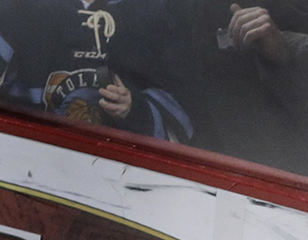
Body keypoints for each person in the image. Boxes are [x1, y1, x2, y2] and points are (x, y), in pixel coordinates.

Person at [0, 0, 193, 142]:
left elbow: (183, 115)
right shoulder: (20, 7)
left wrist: (133, 109)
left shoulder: (153, 12)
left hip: (116, 167)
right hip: (32, 152)